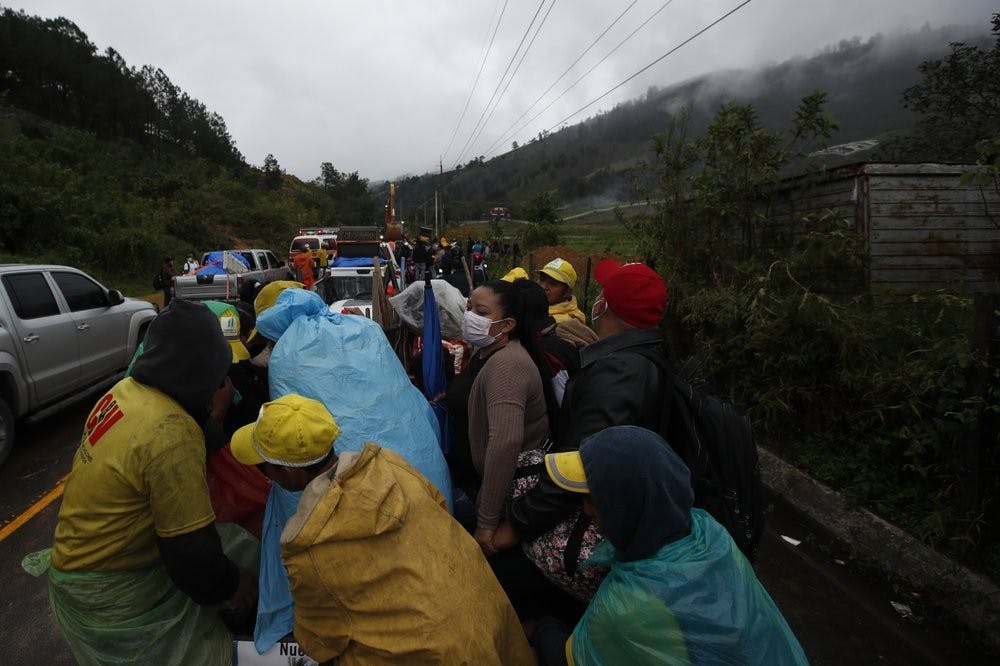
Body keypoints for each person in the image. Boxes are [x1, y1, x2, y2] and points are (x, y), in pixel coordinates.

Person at [230, 394, 535, 665]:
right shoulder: (390, 465)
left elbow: (322, 640)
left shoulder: (309, 546)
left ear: (287, 471)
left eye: (264, 467)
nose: (264, 474)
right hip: (489, 621)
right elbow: (439, 509)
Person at [32, 300, 258, 665]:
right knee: (216, 653)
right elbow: (192, 558)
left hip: (76, 571)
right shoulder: (171, 432)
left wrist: (212, 414)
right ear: (203, 371)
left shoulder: (124, 392)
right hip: (112, 600)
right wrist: (235, 585)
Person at [534, 426, 808, 665]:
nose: (587, 509)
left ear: (625, 510)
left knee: (548, 631)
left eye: (593, 499)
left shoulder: (625, 609)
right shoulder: (710, 532)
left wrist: (541, 630)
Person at [493, 259, 670, 587]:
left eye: (603, 293)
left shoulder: (619, 376)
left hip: (589, 518)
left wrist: (516, 525)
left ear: (605, 306)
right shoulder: (640, 358)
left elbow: (581, 464)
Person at [538, 258, 586, 324]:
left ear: (567, 292)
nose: (543, 287)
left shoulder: (565, 324)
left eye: (553, 284)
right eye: (542, 280)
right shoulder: (539, 308)